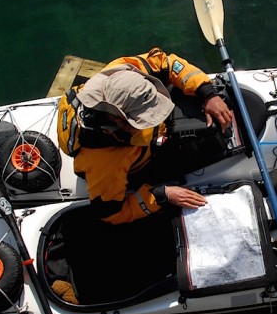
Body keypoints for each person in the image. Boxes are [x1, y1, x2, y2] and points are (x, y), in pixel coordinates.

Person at [71, 47, 233, 225]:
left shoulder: (122, 71)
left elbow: (168, 63)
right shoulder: (105, 163)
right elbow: (110, 214)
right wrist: (161, 195)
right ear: (119, 121)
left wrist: (207, 94)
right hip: (138, 163)